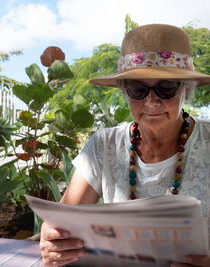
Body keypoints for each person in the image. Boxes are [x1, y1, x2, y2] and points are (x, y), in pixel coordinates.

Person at [39, 24, 210, 267]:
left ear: (186, 90)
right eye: (138, 88)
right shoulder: (103, 145)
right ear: (125, 92)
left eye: (166, 87)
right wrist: (53, 238)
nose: (152, 101)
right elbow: (63, 218)